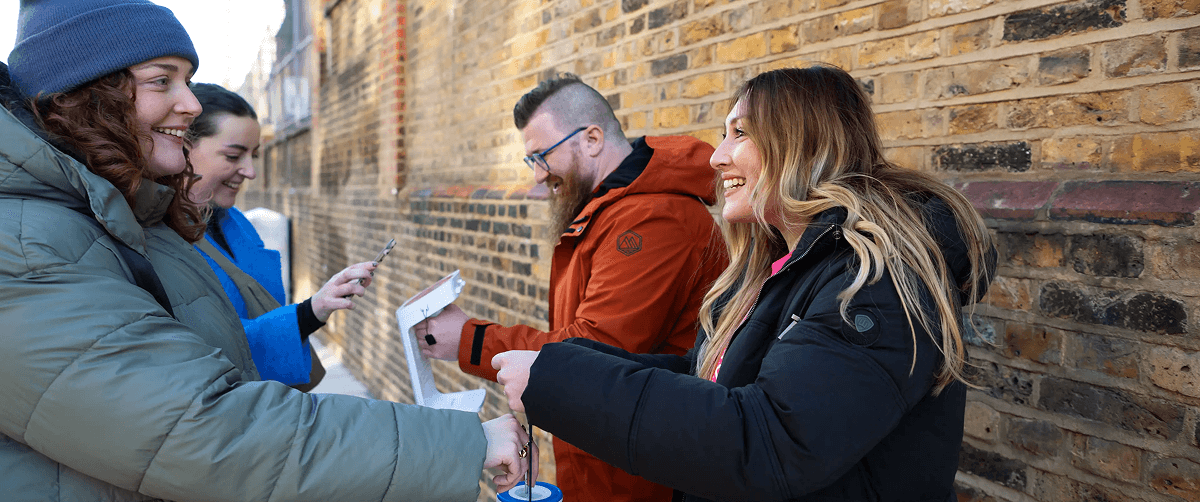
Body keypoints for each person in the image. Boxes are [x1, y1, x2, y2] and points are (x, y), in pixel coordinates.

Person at [0, 1, 530, 501]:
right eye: (163, 81)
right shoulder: (24, 244)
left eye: (187, 79)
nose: (190, 103)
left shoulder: (136, 218)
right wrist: (458, 444)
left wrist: (312, 313)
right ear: (85, 95)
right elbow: (202, 428)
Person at [491, 65, 997, 502]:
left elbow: (770, 438)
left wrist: (558, 383)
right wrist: (557, 372)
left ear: (802, 144)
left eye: (741, 134)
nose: (717, 156)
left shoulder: (875, 279)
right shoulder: (781, 266)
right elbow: (711, 377)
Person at [416, 73, 727, 502]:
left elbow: (592, 346)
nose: (540, 176)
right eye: (533, 161)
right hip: (605, 454)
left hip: (640, 471)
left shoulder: (653, 219)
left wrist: (470, 338)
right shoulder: (608, 211)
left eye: (542, 156)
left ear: (593, 138)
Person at [185, 82, 372, 390]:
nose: (250, 171)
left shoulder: (234, 223)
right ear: (183, 147)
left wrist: (318, 305)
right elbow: (210, 350)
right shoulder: (155, 238)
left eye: (253, 156)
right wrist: (308, 313)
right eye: (233, 156)